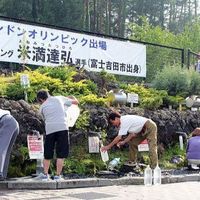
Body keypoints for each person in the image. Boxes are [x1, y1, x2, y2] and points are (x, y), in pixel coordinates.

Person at [36, 89, 79, 181]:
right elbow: (76, 102)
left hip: (50, 129)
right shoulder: (59, 98)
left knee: (47, 154)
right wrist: (70, 98)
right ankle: (58, 176)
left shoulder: (42, 107)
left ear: (40, 100)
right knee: (61, 154)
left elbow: (44, 119)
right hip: (63, 127)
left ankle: (45, 175)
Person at [0, 109, 19, 180]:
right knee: (6, 151)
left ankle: (0, 173)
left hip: (6, 122)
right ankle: (2, 175)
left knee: (1, 149)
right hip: (12, 123)